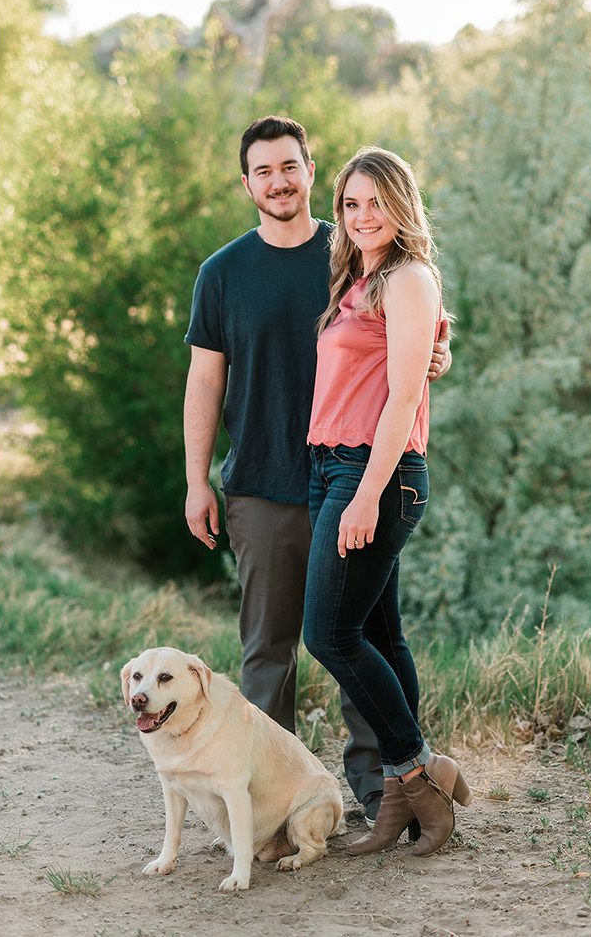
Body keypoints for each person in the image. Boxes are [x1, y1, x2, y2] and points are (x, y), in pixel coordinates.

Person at [182, 116, 449, 824]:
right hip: (262, 485)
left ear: (309, 169)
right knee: (271, 651)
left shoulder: (357, 248)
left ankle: (380, 788)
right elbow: (203, 384)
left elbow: (407, 339)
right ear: (247, 183)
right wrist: (195, 477)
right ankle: (270, 803)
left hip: (353, 477)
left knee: (350, 635)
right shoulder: (224, 273)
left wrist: (435, 357)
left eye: (289, 166)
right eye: (262, 170)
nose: (278, 180)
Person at [301, 146, 471, 856]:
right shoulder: (358, 277)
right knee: (380, 633)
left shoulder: (406, 277)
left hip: (375, 473)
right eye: (351, 203)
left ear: (401, 206)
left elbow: (406, 394)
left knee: (330, 634)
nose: (363, 215)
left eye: (376, 201)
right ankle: (403, 804)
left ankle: (416, 769)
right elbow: (405, 363)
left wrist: (366, 494)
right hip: (334, 467)